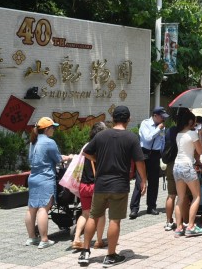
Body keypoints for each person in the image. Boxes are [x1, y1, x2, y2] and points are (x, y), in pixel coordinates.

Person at [78, 105, 146, 268]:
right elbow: (139, 161)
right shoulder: (131, 138)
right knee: (115, 220)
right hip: (119, 186)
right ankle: (110, 256)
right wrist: (143, 179)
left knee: (93, 216)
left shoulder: (101, 136)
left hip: (100, 184)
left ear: (113, 118)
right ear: (128, 119)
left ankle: (85, 252)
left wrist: (98, 160)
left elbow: (86, 152)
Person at [24, 117, 73, 249]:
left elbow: (31, 159)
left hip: (33, 178)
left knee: (31, 209)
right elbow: (57, 159)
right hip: (45, 178)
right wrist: (68, 157)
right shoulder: (49, 142)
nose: (54, 130)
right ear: (47, 129)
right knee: (43, 209)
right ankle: (44, 239)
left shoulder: (33, 142)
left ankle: (32, 238)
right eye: (53, 128)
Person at [72, 122, 107, 250]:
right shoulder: (101, 147)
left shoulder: (86, 146)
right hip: (95, 186)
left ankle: (76, 238)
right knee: (101, 213)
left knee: (85, 213)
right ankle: (98, 241)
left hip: (83, 185)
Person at [130, 106, 168, 218]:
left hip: (156, 154)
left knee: (154, 181)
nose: (163, 120)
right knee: (140, 180)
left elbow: (162, 140)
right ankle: (134, 208)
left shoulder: (162, 127)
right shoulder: (145, 123)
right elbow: (147, 138)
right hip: (144, 153)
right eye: (162, 117)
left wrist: (162, 153)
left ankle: (151, 206)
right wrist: (158, 129)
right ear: (155, 116)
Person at [173, 108, 202, 237]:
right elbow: (200, 151)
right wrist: (200, 137)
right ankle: (191, 226)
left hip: (177, 166)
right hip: (187, 166)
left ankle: (179, 227)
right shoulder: (192, 134)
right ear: (191, 121)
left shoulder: (178, 134)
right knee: (196, 196)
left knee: (180, 198)